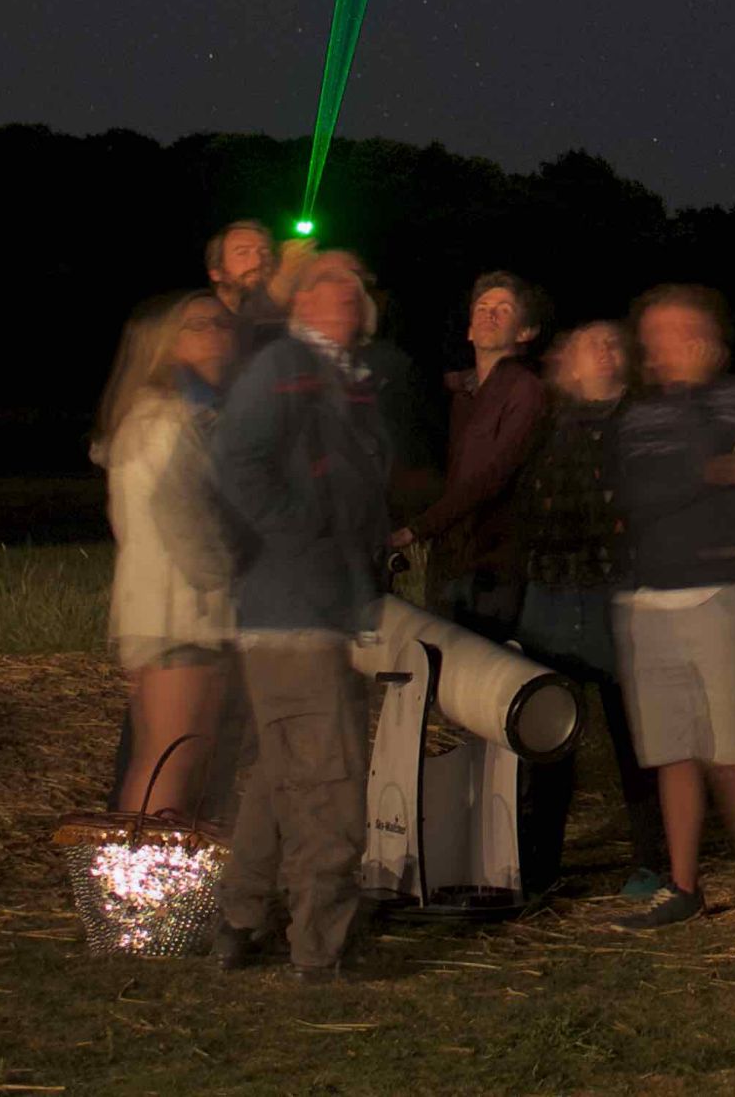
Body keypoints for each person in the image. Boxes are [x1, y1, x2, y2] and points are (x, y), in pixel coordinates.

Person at [211, 247, 395, 983]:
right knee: (331, 780)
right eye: (328, 285)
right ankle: (319, 946)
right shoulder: (285, 366)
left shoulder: (341, 378)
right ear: (302, 303)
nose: (347, 296)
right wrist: (305, 537)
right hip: (294, 605)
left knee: (286, 771)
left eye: (355, 287)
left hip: (318, 604)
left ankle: (239, 918)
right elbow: (236, 463)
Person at [607, 285, 735, 944]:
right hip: (647, 595)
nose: (667, 341)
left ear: (711, 337)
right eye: (656, 331)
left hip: (719, 587)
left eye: (681, 328)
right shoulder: (637, 417)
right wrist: (718, 466)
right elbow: (637, 491)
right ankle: (684, 887)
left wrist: (713, 451)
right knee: (674, 753)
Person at [519, 319, 671, 902]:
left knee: (635, 738)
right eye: (590, 343)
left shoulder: (643, 422)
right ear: (570, 364)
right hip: (554, 594)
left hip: (622, 594)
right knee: (548, 738)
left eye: (613, 342)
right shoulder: (548, 428)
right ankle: (538, 865)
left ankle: (653, 860)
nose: (605, 351)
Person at [97, 290, 237, 816]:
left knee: (183, 759)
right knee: (169, 762)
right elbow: (181, 516)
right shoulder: (166, 419)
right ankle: (148, 893)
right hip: (180, 615)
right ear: (167, 345)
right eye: (198, 325)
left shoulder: (186, 416)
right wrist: (231, 580)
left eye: (223, 324)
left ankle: (165, 887)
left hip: (182, 610)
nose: (217, 335)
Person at [396, 271, 552, 638]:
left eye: (503, 308)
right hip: (455, 558)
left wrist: (417, 528)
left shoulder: (525, 390)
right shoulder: (463, 396)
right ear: (468, 330)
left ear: (524, 332)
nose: (489, 314)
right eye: (482, 307)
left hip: (494, 563)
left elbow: (493, 474)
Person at [207, 220, 286, 371]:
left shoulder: (284, 321)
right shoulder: (203, 325)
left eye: (264, 253)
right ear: (216, 272)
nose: (257, 262)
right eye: (242, 253)